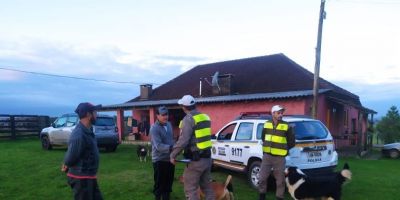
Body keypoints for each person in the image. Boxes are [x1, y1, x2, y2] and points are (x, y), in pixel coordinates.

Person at [170, 95, 215, 200]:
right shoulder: (205, 117)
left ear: (184, 107)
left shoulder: (188, 119)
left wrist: (173, 155)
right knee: (208, 189)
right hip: (207, 159)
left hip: (196, 161)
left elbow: (183, 140)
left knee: (191, 190)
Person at [61, 102, 103, 200]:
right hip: (81, 180)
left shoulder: (87, 131)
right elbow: (70, 158)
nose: (97, 115)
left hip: (89, 177)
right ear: (88, 114)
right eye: (95, 112)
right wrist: (66, 163)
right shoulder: (79, 134)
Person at [258, 105, 295, 200]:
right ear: (273, 113)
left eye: (282, 113)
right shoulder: (266, 124)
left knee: (280, 181)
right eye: (278, 113)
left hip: (279, 158)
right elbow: (263, 137)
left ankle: (279, 197)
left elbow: (292, 142)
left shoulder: (287, 126)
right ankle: (262, 196)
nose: (281, 114)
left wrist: (284, 150)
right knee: (262, 178)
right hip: (267, 156)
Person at [150, 106, 175, 200]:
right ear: (157, 116)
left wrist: (174, 153)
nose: (165, 117)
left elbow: (171, 140)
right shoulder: (154, 128)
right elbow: (158, 146)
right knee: (159, 185)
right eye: (163, 115)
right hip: (159, 160)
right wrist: (173, 148)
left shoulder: (169, 125)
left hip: (170, 159)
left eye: (167, 114)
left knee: (168, 184)